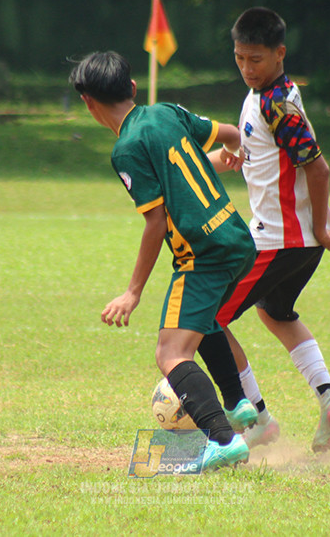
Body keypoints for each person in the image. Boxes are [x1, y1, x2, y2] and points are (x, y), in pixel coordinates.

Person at [69, 51, 259, 471]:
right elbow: (225, 133)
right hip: (236, 239)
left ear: (88, 102)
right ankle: (238, 404)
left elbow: (155, 222)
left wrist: (132, 291)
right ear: (132, 88)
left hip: (202, 254)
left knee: (171, 351)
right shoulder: (167, 112)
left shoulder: (127, 149)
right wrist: (231, 149)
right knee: (205, 321)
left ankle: (224, 441)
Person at [208, 7, 330, 453]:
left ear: (280, 55)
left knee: (207, 319)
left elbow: (320, 170)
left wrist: (320, 228)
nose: (247, 69)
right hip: (298, 242)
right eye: (239, 59)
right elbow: (272, 156)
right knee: (275, 312)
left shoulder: (279, 105)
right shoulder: (268, 97)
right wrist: (240, 158)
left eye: (256, 60)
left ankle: (259, 418)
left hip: (279, 240)